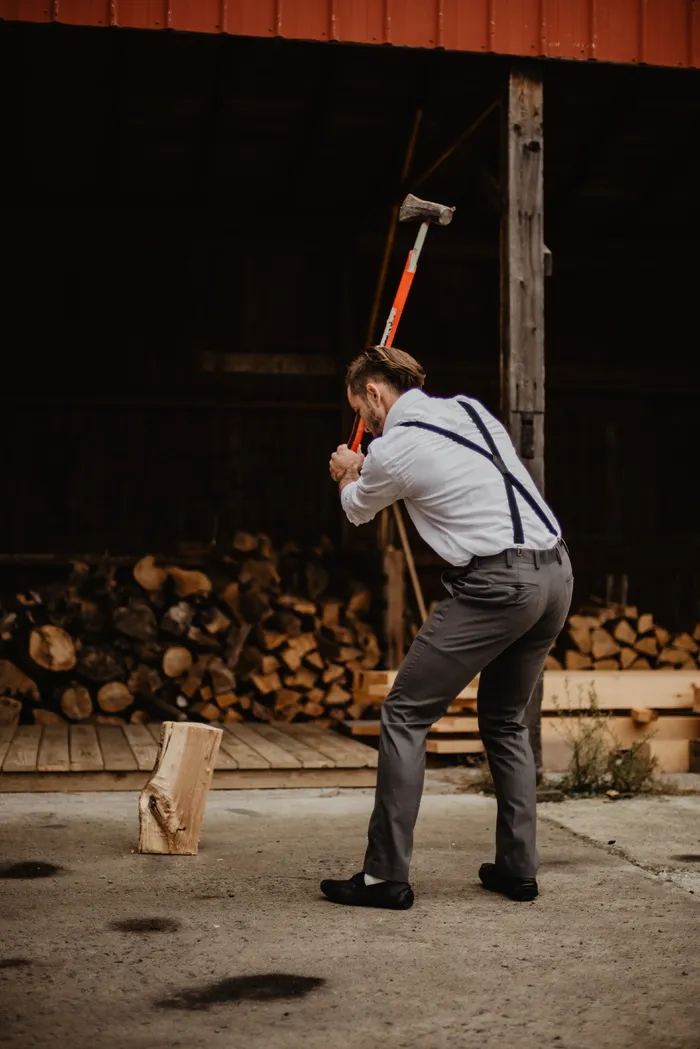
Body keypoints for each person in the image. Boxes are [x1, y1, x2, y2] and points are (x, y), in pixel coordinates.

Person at [321, 346, 572, 910]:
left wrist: (345, 472)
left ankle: (384, 877)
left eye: (358, 409)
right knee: (506, 720)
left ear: (375, 395)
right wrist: (371, 466)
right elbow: (439, 471)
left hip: (498, 584)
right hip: (556, 572)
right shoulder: (470, 410)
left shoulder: (395, 447)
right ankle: (517, 870)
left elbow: (358, 508)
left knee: (404, 714)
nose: (360, 422)